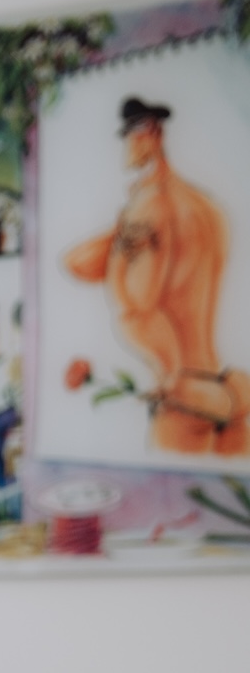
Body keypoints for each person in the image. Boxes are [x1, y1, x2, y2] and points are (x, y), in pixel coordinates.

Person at [64, 96, 250, 456]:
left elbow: (137, 308)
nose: (126, 146)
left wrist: (170, 379)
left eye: (131, 135)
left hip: (185, 398)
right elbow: (79, 262)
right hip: (226, 391)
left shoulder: (147, 208)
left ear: (150, 134)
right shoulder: (205, 206)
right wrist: (120, 236)